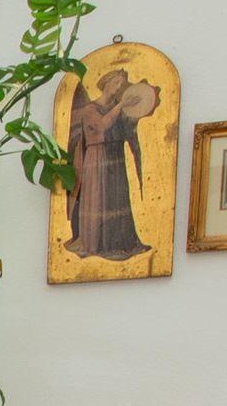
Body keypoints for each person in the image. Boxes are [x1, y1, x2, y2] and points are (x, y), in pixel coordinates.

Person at [62, 67, 158, 261]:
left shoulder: (117, 106)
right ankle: (95, 243)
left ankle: (120, 242)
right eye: (116, 83)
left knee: (117, 198)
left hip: (116, 156)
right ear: (106, 84)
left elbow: (125, 127)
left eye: (122, 84)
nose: (119, 87)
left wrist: (135, 110)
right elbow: (102, 126)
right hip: (98, 158)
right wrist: (121, 105)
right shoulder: (91, 108)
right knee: (100, 198)